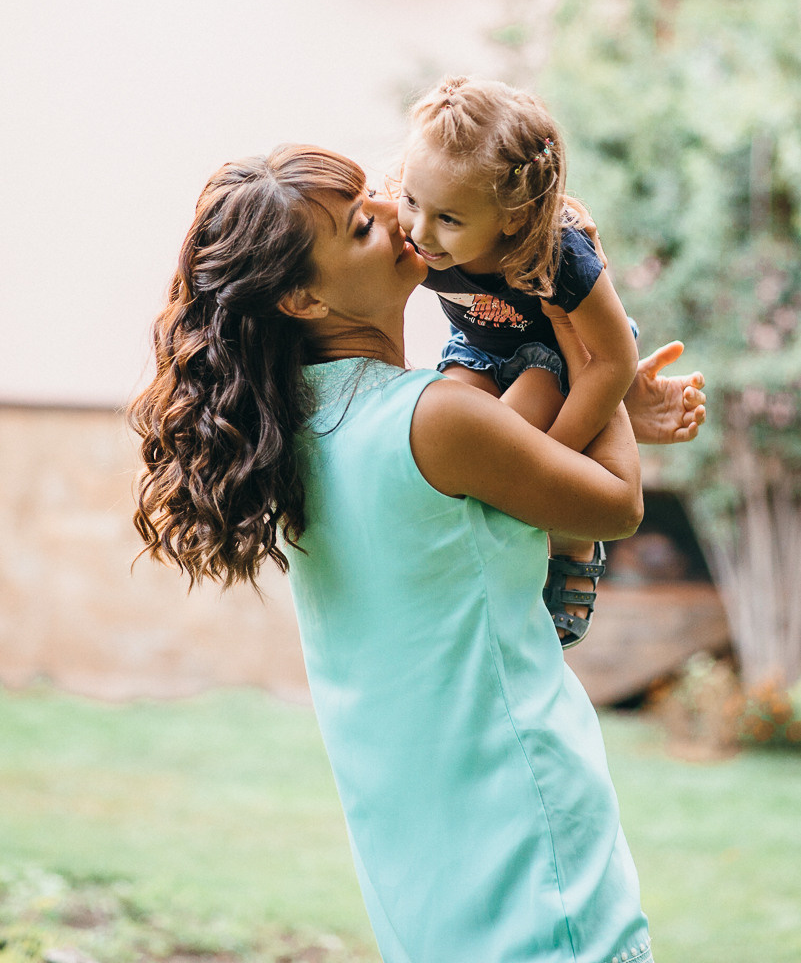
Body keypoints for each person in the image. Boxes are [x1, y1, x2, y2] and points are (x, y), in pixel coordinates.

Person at [129, 146, 701, 963]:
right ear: (302, 296)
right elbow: (614, 502)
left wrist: (596, 402)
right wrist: (593, 364)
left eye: (375, 197)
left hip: (417, 870)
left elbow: (493, 459)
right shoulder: (435, 418)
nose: (398, 219)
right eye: (362, 226)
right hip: (524, 853)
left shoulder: (298, 433)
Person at [397, 75, 683, 644]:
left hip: (564, 350)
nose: (419, 232)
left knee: (514, 439)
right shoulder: (416, 218)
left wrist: (553, 456)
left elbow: (611, 358)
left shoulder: (558, 251)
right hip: (476, 346)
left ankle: (572, 533)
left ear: (511, 216)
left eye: (448, 219)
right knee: (449, 436)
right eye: (410, 201)